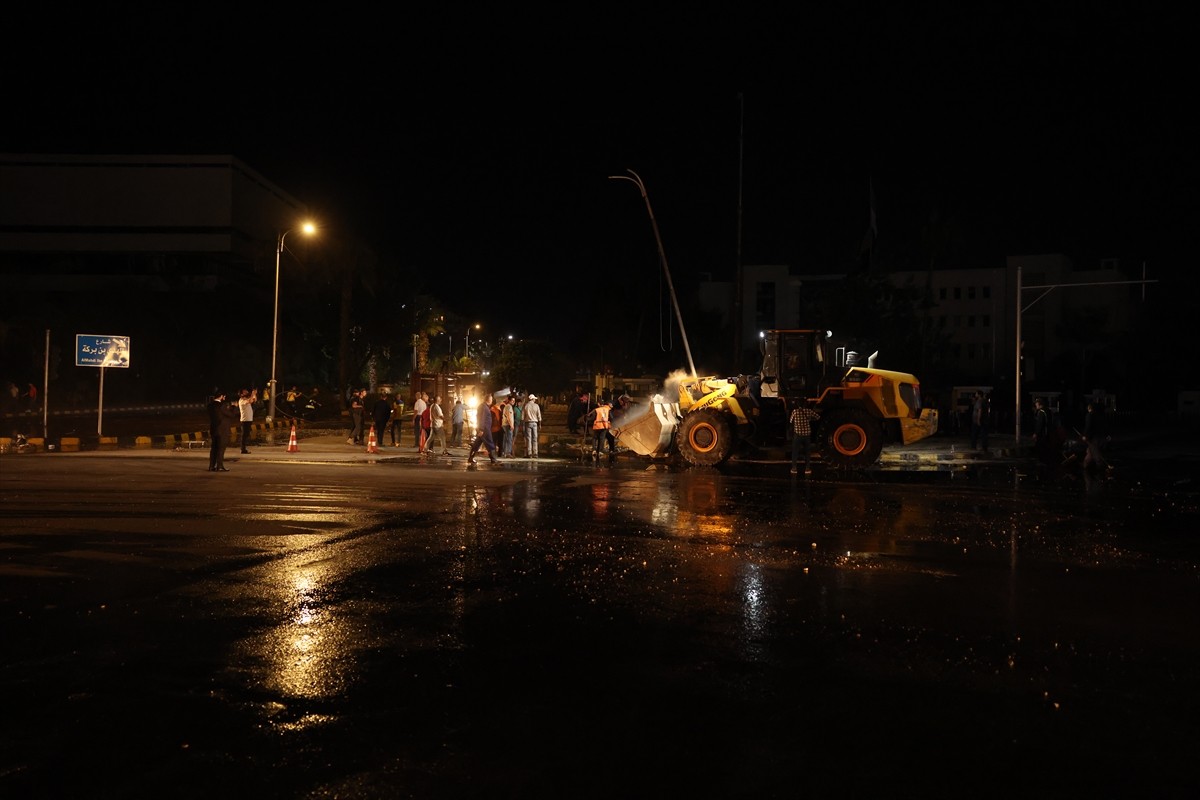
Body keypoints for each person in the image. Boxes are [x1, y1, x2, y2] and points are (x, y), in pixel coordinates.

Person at [207, 389, 238, 471]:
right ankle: (220, 466)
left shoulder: (210, 405)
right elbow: (231, 415)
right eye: (224, 397)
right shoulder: (222, 405)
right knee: (221, 448)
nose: (224, 398)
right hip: (222, 430)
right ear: (221, 397)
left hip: (213, 429)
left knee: (214, 448)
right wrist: (234, 407)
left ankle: (211, 466)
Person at [467, 393, 500, 465]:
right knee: (490, 443)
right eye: (491, 399)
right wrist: (481, 429)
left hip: (484, 428)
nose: (492, 400)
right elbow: (482, 418)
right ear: (488, 399)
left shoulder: (484, 407)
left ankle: (471, 458)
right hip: (485, 429)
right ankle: (494, 459)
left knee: (476, 444)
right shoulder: (484, 407)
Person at [788, 403, 821, 475]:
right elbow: (818, 417)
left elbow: (791, 421)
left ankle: (794, 468)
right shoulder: (809, 411)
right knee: (807, 452)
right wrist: (810, 419)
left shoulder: (795, 411)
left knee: (795, 452)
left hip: (798, 435)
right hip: (807, 435)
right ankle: (807, 469)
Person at [1082, 401, 1110, 472]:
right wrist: (1107, 435)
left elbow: (1088, 426)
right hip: (1102, 438)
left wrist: (1085, 435)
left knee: (1097, 456)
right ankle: (1085, 469)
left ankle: (1100, 474)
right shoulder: (1102, 415)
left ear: (1089, 408)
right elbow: (1106, 426)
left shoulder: (1090, 415)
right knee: (1090, 454)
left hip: (1094, 439)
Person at [237, 388, 256, 454]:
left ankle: (243, 448)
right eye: (245, 392)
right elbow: (250, 401)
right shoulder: (241, 400)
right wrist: (252, 394)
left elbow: (254, 400)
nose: (247, 393)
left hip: (249, 419)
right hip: (245, 420)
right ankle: (243, 449)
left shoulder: (246, 399)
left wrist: (254, 394)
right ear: (241, 394)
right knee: (244, 435)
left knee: (246, 434)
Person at [523, 393, 542, 459]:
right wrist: (539, 424)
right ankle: (535, 453)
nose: (535, 400)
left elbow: (523, 416)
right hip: (535, 423)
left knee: (529, 438)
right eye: (534, 399)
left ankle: (529, 453)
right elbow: (539, 416)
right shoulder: (536, 406)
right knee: (535, 438)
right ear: (532, 399)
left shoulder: (526, 406)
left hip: (528, 423)